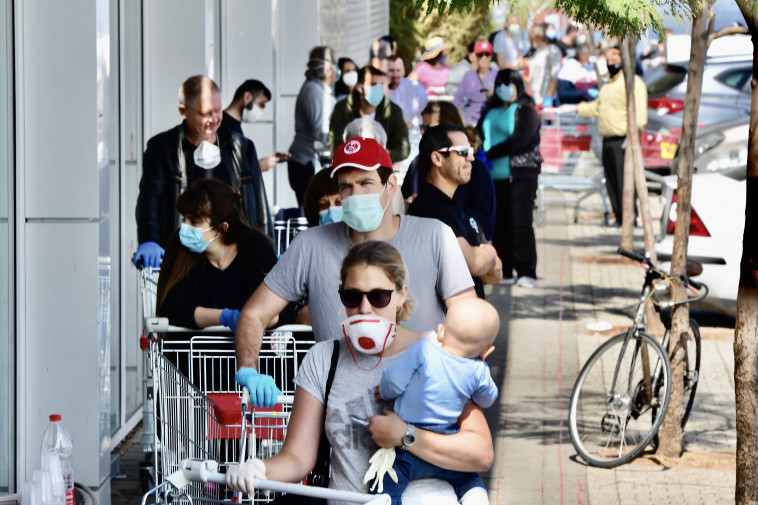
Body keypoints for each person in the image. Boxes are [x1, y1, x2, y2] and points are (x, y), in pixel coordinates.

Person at [226, 240, 494, 504]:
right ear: (341, 294)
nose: (365, 308)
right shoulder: (323, 359)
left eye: (379, 296)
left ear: (401, 295)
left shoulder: (436, 350)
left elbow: (480, 452)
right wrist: (258, 469)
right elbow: (297, 457)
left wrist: (405, 436)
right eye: (353, 296)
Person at [233, 136, 475, 407]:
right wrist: (249, 370)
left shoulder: (435, 236)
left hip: (422, 402)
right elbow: (254, 313)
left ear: (391, 185)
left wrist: (455, 368)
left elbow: (468, 314)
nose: (355, 195)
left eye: (365, 183)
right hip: (338, 410)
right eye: (346, 187)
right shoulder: (309, 245)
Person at [133, 75, 273, 269]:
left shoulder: (242, 149)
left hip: (232, 258)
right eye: (205, 113)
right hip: (182, 259)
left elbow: (259, 207)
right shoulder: (162, 149)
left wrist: (267, 250)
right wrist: (149, 240)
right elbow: (150, 200)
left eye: (217, 110)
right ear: (184, 112)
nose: (214, 120)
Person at [374, 297, 499, 505]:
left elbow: (393, 381)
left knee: (387, 482)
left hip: (407, 448)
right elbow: (487, 399)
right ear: (487, 350)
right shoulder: (478, 370)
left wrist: (385, 393)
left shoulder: (423, 349)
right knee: (467, 478)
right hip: (448, 438)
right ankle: (475, 496)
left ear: (440, 332)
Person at [155, 178, 278, 331]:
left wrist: (250, 319)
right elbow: (172, 307)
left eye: (194, 221)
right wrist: (224, 317)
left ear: (222, 228)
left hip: (253, 348)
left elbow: (275, 310)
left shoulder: (256, 247)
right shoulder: (179, 245)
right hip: (196, 350)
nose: (184, 227)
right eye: (183, 218)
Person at [408, 124, 502, 299]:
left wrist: (482, 259)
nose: (472, 158)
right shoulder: (429, 209)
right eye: (463, 152)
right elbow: (474, 263)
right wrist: (490, 251)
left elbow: (496, 275)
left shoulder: (458, 208)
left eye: (471, 151)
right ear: (437, 158)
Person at [561, 44, 646, 226]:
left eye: (615, 57)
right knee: (612, 182)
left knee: (625, 182)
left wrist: (633, 138)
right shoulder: (609, 85)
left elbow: (640, 115)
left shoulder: (633, 83)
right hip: (607, 139)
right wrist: (575, 108)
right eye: (608, 59)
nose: (611, 62)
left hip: (623, 140)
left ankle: (630, 218)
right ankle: (619, 216)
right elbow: (597, 107)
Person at [479, 69, 541, 288]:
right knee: (501, 224)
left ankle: (527, 271)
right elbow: (480, 134)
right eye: (500, 84)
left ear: (518, 85)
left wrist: (491, 152)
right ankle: (506, 271)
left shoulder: (526, 110)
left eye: (509, 84)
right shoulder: (491, 109)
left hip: (520, 175)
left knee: (520, 222)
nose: (504, 88)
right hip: (494, 176)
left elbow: (520, 140)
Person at [401, 102, 496, 241]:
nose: (423, 132)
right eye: (422, 127)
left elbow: (485, 224)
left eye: (428, 127)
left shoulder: (477, 169)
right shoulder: (417, 165)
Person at [328, 66, 410, 164]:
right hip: (350, 168)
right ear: (359, 87)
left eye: (381, 84)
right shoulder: (342, 109)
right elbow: (335, 145)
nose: (378, 89)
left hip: (382, 168)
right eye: (373, 84)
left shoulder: (394, 111)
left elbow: (403, 149)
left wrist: (376, 157)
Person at [288, 46, 338, 206]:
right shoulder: (314, 90)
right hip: (304, 163)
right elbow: (321, 131)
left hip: (307, 160)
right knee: (312, 211)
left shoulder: (320, 89)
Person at [221, 79, 292, 172]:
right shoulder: (221, 126)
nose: (261, 111)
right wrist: (257, 167)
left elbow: (238, 163)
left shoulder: (233, 126)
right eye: (261, 104)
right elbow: (229, 170)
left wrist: (264, 162)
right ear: (247, 97)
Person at [453, 40, 497, 126]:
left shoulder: (497, 75)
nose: (484, 58)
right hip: (470, 123)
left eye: (487, 54)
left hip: (490, 123)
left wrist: (492, 95)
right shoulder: (468, 76)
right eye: (480, 55)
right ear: (475, 56)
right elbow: (457, 99)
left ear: (490, 57)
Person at [387, 55, 428, 131]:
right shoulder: (380, 90)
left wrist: (411, 124)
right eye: (391, 70)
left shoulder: (416, 88)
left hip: (413, 133)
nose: (395, 74)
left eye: (398, 70)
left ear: (404, 71)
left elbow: (425, 113)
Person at [527, 24, 562, 108]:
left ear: (538, 37)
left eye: (531, 37)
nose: (529, 39)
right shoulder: (536, 51)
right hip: (534, 99)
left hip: (544, 101)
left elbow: (555, 76)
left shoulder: (553, 51)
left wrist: (549, 96)